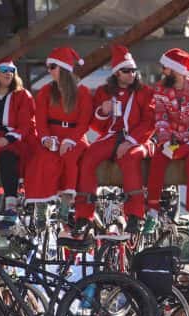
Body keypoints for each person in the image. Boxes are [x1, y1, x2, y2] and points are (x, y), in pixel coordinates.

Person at [73, 45, 154, 235]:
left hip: (138, 140)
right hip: (110, 137)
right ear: (117, 73)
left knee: (130, 158)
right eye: (126, 70)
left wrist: (130, 141)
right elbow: (96, 124)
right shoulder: (103, 92)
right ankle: (84, 216)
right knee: (88, 158)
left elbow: (150, 122)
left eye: (134, 70)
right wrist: (103, 112)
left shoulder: (144, 92)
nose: (131, 74)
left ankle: (135, 215)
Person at [143, 48, 189, 236]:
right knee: (157, 161)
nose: (163, 72)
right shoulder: (160, 89)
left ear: (177, 70)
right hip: (171, 140)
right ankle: (152, 213)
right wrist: (165, 143)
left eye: (166, 68)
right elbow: (161, 119)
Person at [25, 46, 92, 230]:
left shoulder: (83, 92)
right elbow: (40, 120)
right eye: (49, 67)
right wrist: (45, 138)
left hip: (75, 137)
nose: (49, 71)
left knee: (70, 158)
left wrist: (70, 141)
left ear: (63, 68)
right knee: (41, 159)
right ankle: (41, 205)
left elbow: (84, 121)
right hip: (52, 136)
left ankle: (65, 204)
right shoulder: (46, 91)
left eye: (52, 66)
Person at [0, 57, 35, 220]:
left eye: (12, 71)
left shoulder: (22, 95)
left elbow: (26, 124)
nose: (9, 74)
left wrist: (8, 139)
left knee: (7, 156)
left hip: (16, 141)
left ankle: (11, 205)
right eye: (4, 70)